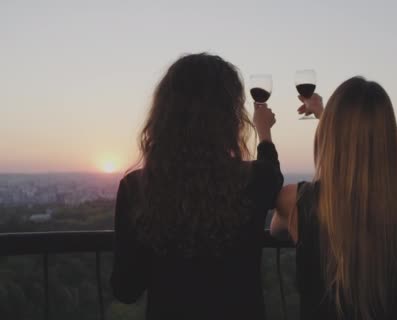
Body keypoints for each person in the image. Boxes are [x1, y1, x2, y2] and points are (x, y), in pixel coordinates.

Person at [110, 53, 283, 320]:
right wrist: (265, 136)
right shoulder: (254, 179)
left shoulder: (136, 188)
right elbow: (272, 177)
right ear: (231, 117)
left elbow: (126, 289)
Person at [271, 77, 397, 320]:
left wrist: (327, 115)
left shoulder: (294, 200)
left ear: (330, 131)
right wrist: (329, 115)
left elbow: (277, 231)